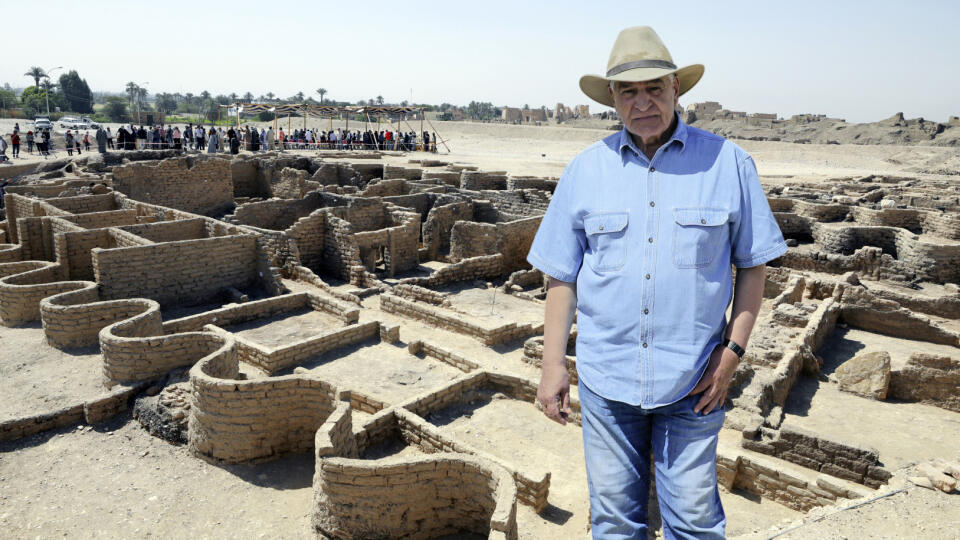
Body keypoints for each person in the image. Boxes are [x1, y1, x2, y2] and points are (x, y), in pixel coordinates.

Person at [528, 26, 787, 539]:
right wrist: (553, 365)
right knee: (615, 524)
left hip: (692, 381)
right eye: (629, 91)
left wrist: (733, 350)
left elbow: (752, 266)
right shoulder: (585, 170)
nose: (642, 101)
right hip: (608, 383)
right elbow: (561, 276)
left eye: (654, 88)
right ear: (613, 101)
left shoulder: (728, 163)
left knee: (695, 524)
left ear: (675, 91)